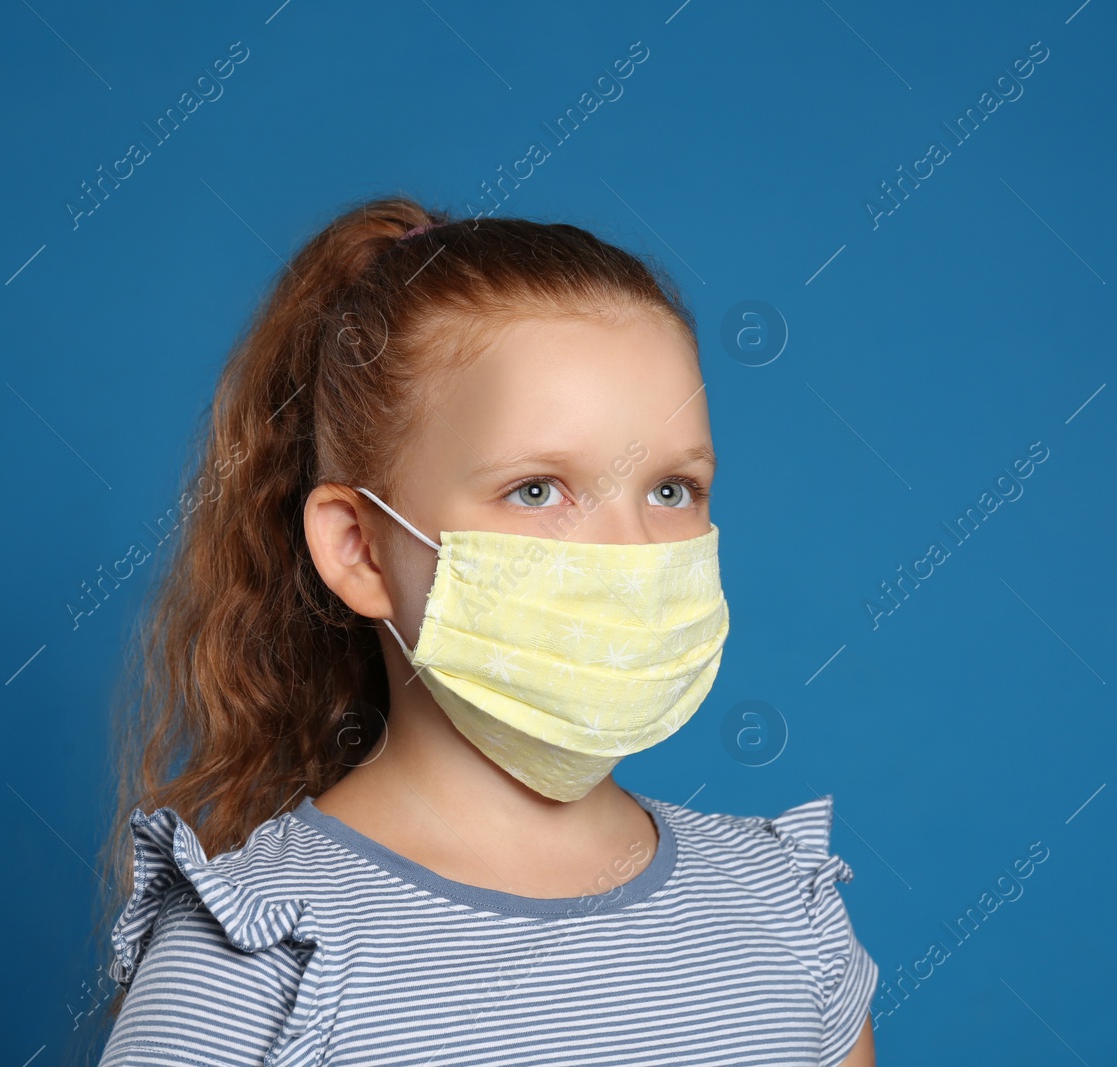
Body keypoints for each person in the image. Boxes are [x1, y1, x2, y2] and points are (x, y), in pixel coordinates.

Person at [88, 195, 878, 1066]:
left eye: (670, 489)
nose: (629, 552)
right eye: (538, 489)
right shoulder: (256, 956)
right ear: (360, 549)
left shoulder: (782, 908)